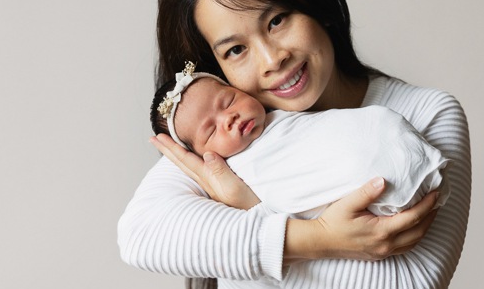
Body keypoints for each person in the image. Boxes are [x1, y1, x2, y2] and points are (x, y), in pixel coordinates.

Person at [118, 0, 471, 289]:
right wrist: (318, 238)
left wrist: (248, 208)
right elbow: (141, 235)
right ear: (214, 70)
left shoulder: (425, 115)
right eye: (235, 50)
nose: (272, 59)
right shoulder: (229, 137)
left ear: (314, 3)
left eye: (277, 20)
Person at [151, 62, 449, 217]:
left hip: (396, 144)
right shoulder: (236, 174)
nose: (227, 118)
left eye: (228, 100)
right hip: (369, 200)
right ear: (201, 156)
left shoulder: (281, 112)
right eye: (211, 130)